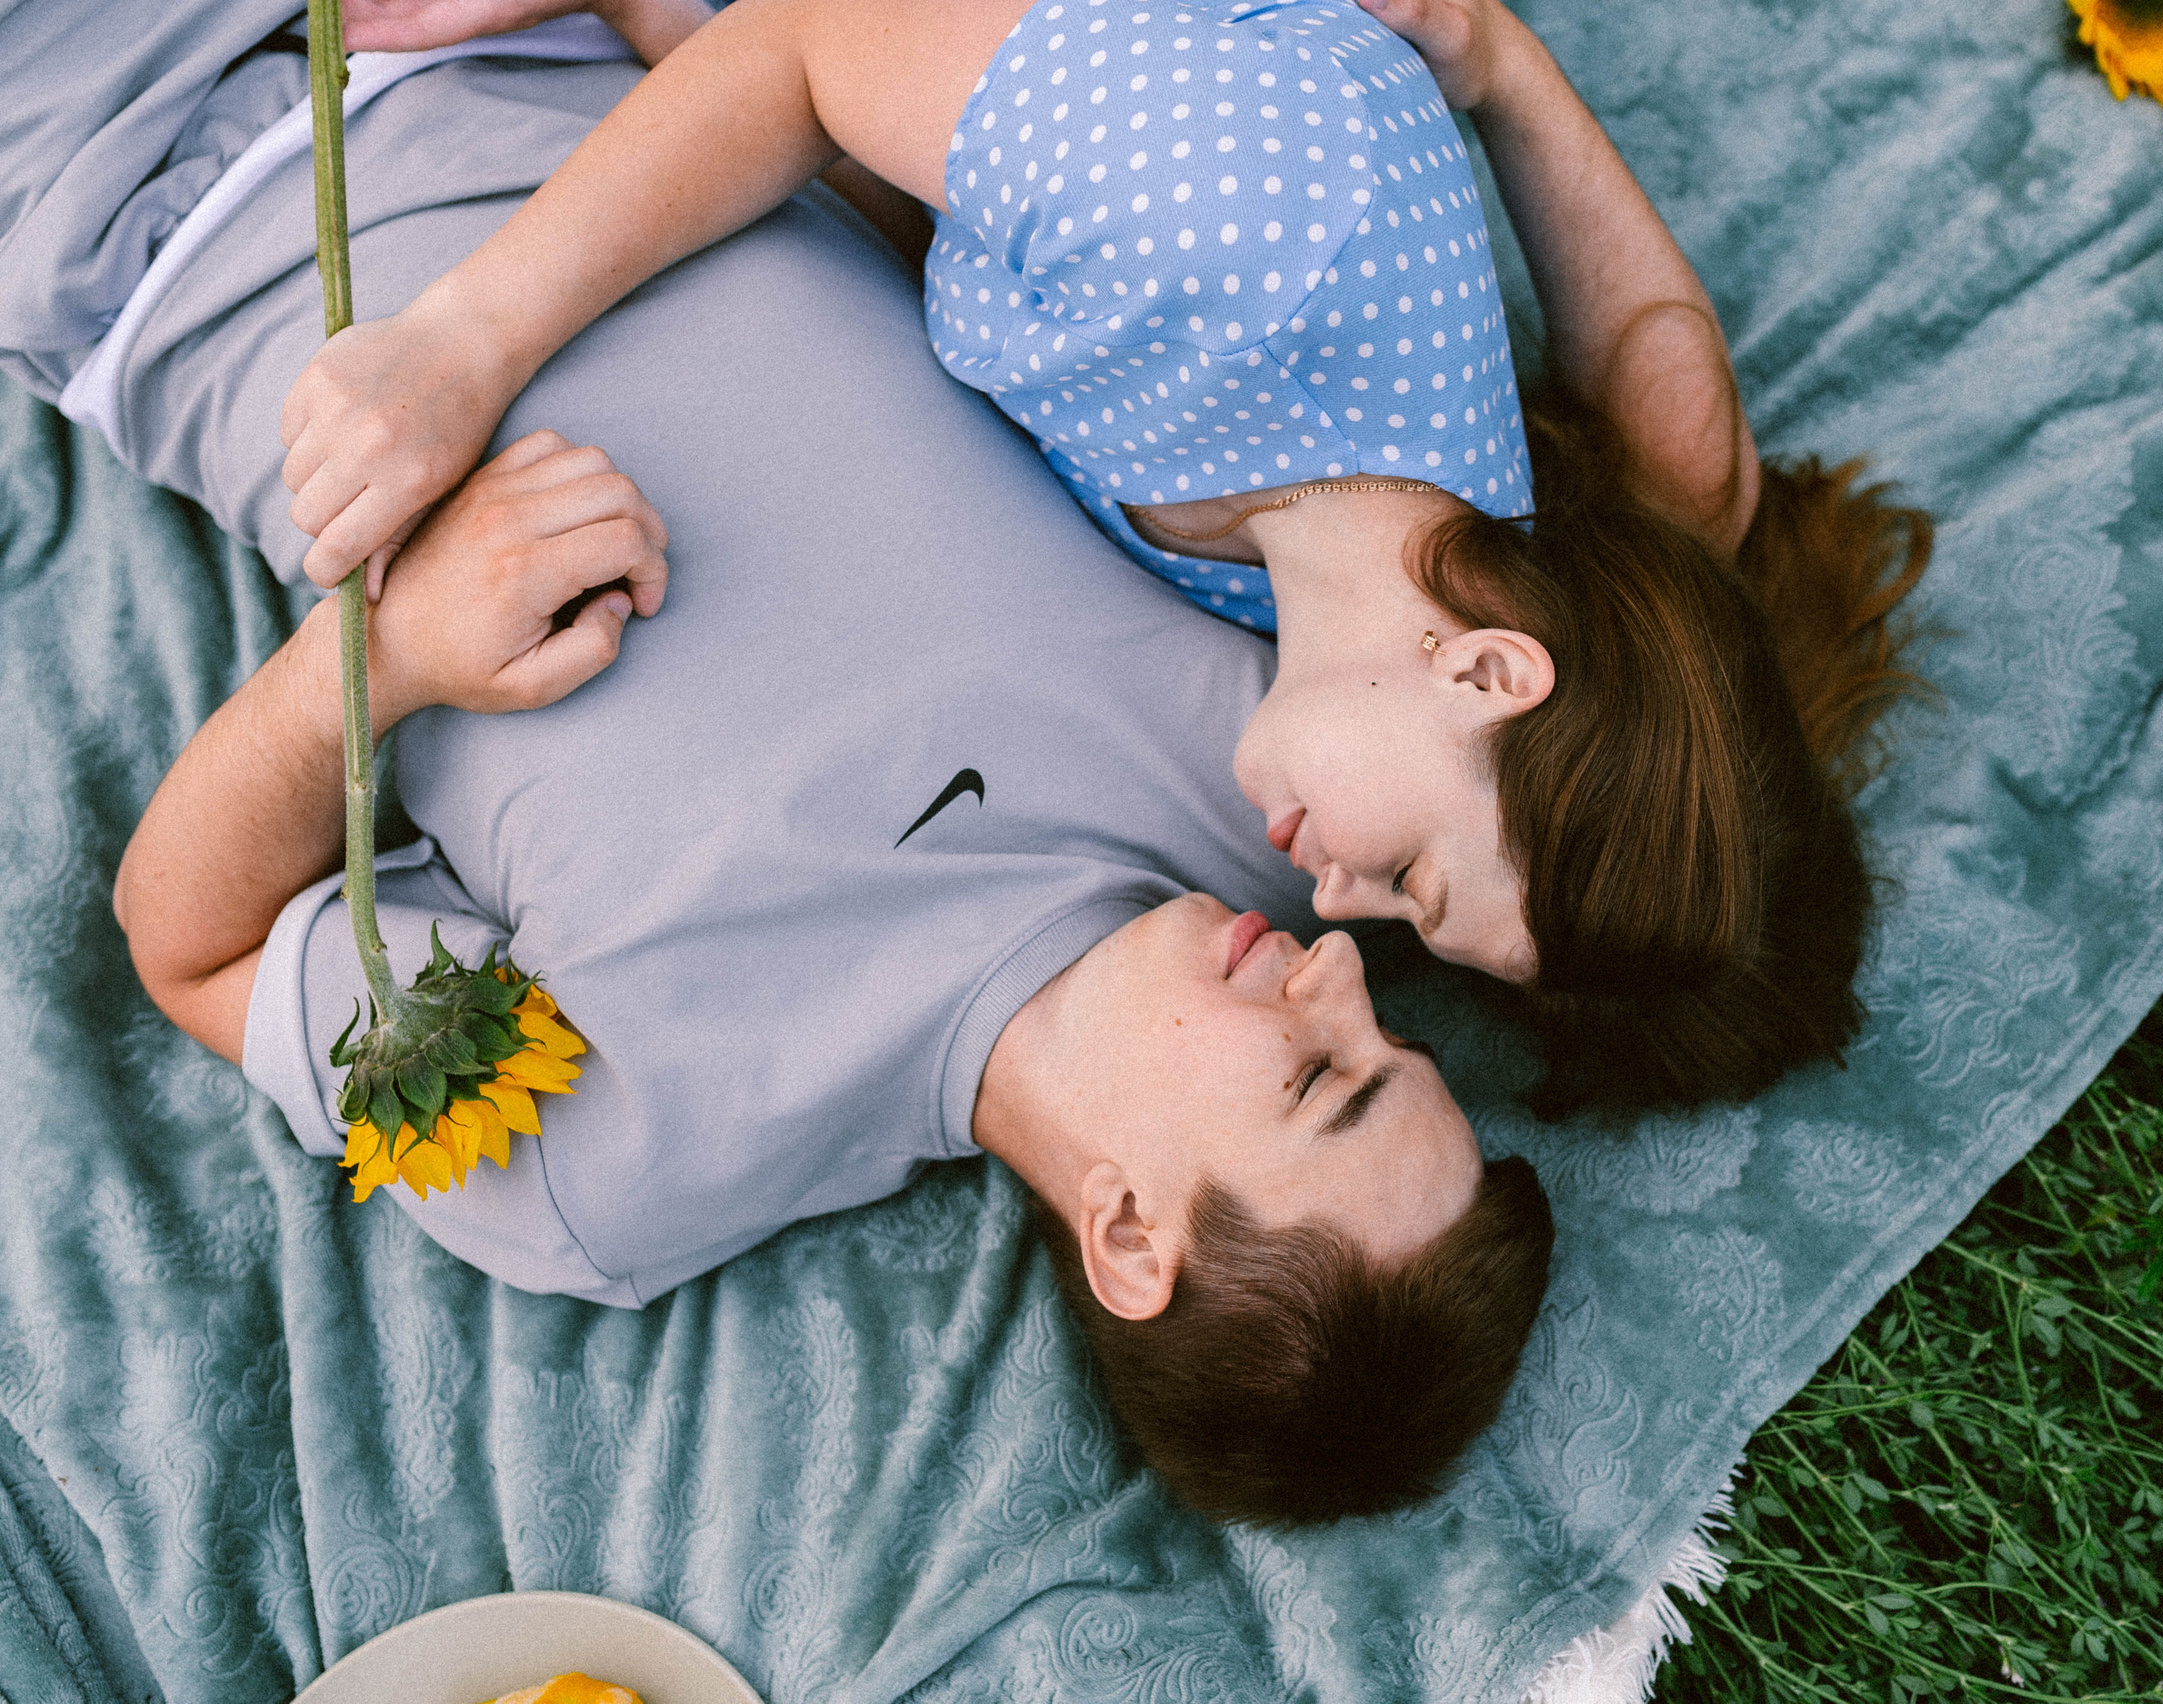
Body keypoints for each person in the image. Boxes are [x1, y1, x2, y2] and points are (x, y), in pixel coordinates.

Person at [76, 27, 1552, 1524]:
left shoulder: (623, 1161)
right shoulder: (1281, 789)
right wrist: (1498, 64)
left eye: (1319, 1078)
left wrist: (390, 652)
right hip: (577, 44)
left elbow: (189, 946)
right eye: (1389, 1035)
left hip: (131, 198)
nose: (1342, 977)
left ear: (1126, 1235)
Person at [281, 0, 1935, 1120]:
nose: (1341, 917)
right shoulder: (1244, 254)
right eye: (1415, 883)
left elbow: (1690, 481)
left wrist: (1501, 70)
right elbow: (806, 48)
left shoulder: (1371, 559)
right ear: (1490, 668)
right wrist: (460, 342)